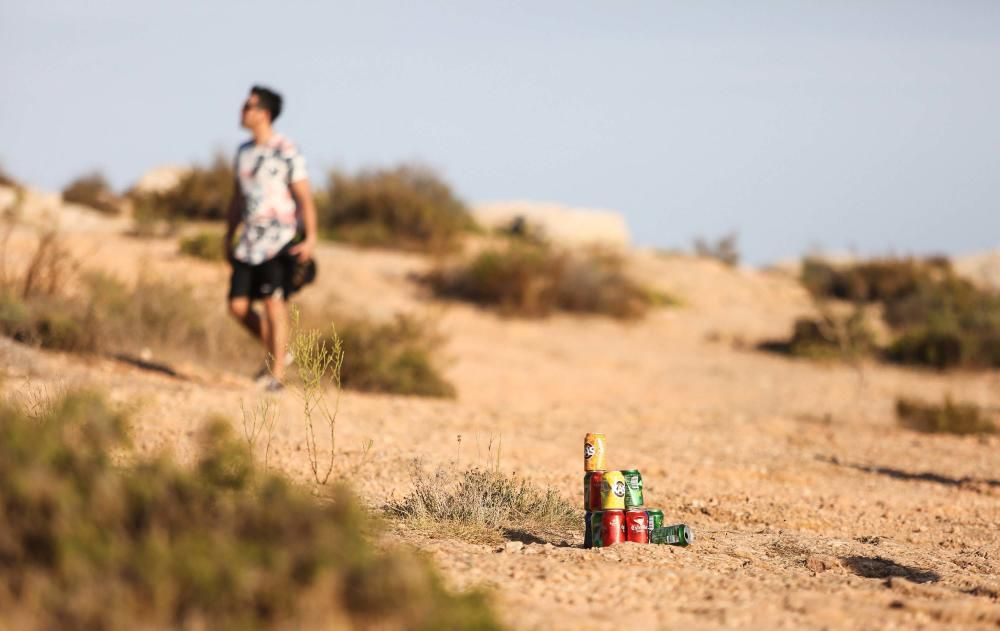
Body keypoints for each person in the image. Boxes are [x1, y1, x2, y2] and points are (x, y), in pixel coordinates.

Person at [225, 85, 317, 391]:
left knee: (273, 304)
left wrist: (311, 238)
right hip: (249, 242)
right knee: (237, 307)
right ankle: (279, 350)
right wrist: (229, 234)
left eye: (248, 106)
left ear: (264, 113)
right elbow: (238, 198)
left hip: (280, 240)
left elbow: (304, 196)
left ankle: (276, 374)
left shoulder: (286, 150)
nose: (242, 111)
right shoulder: (243, 153)